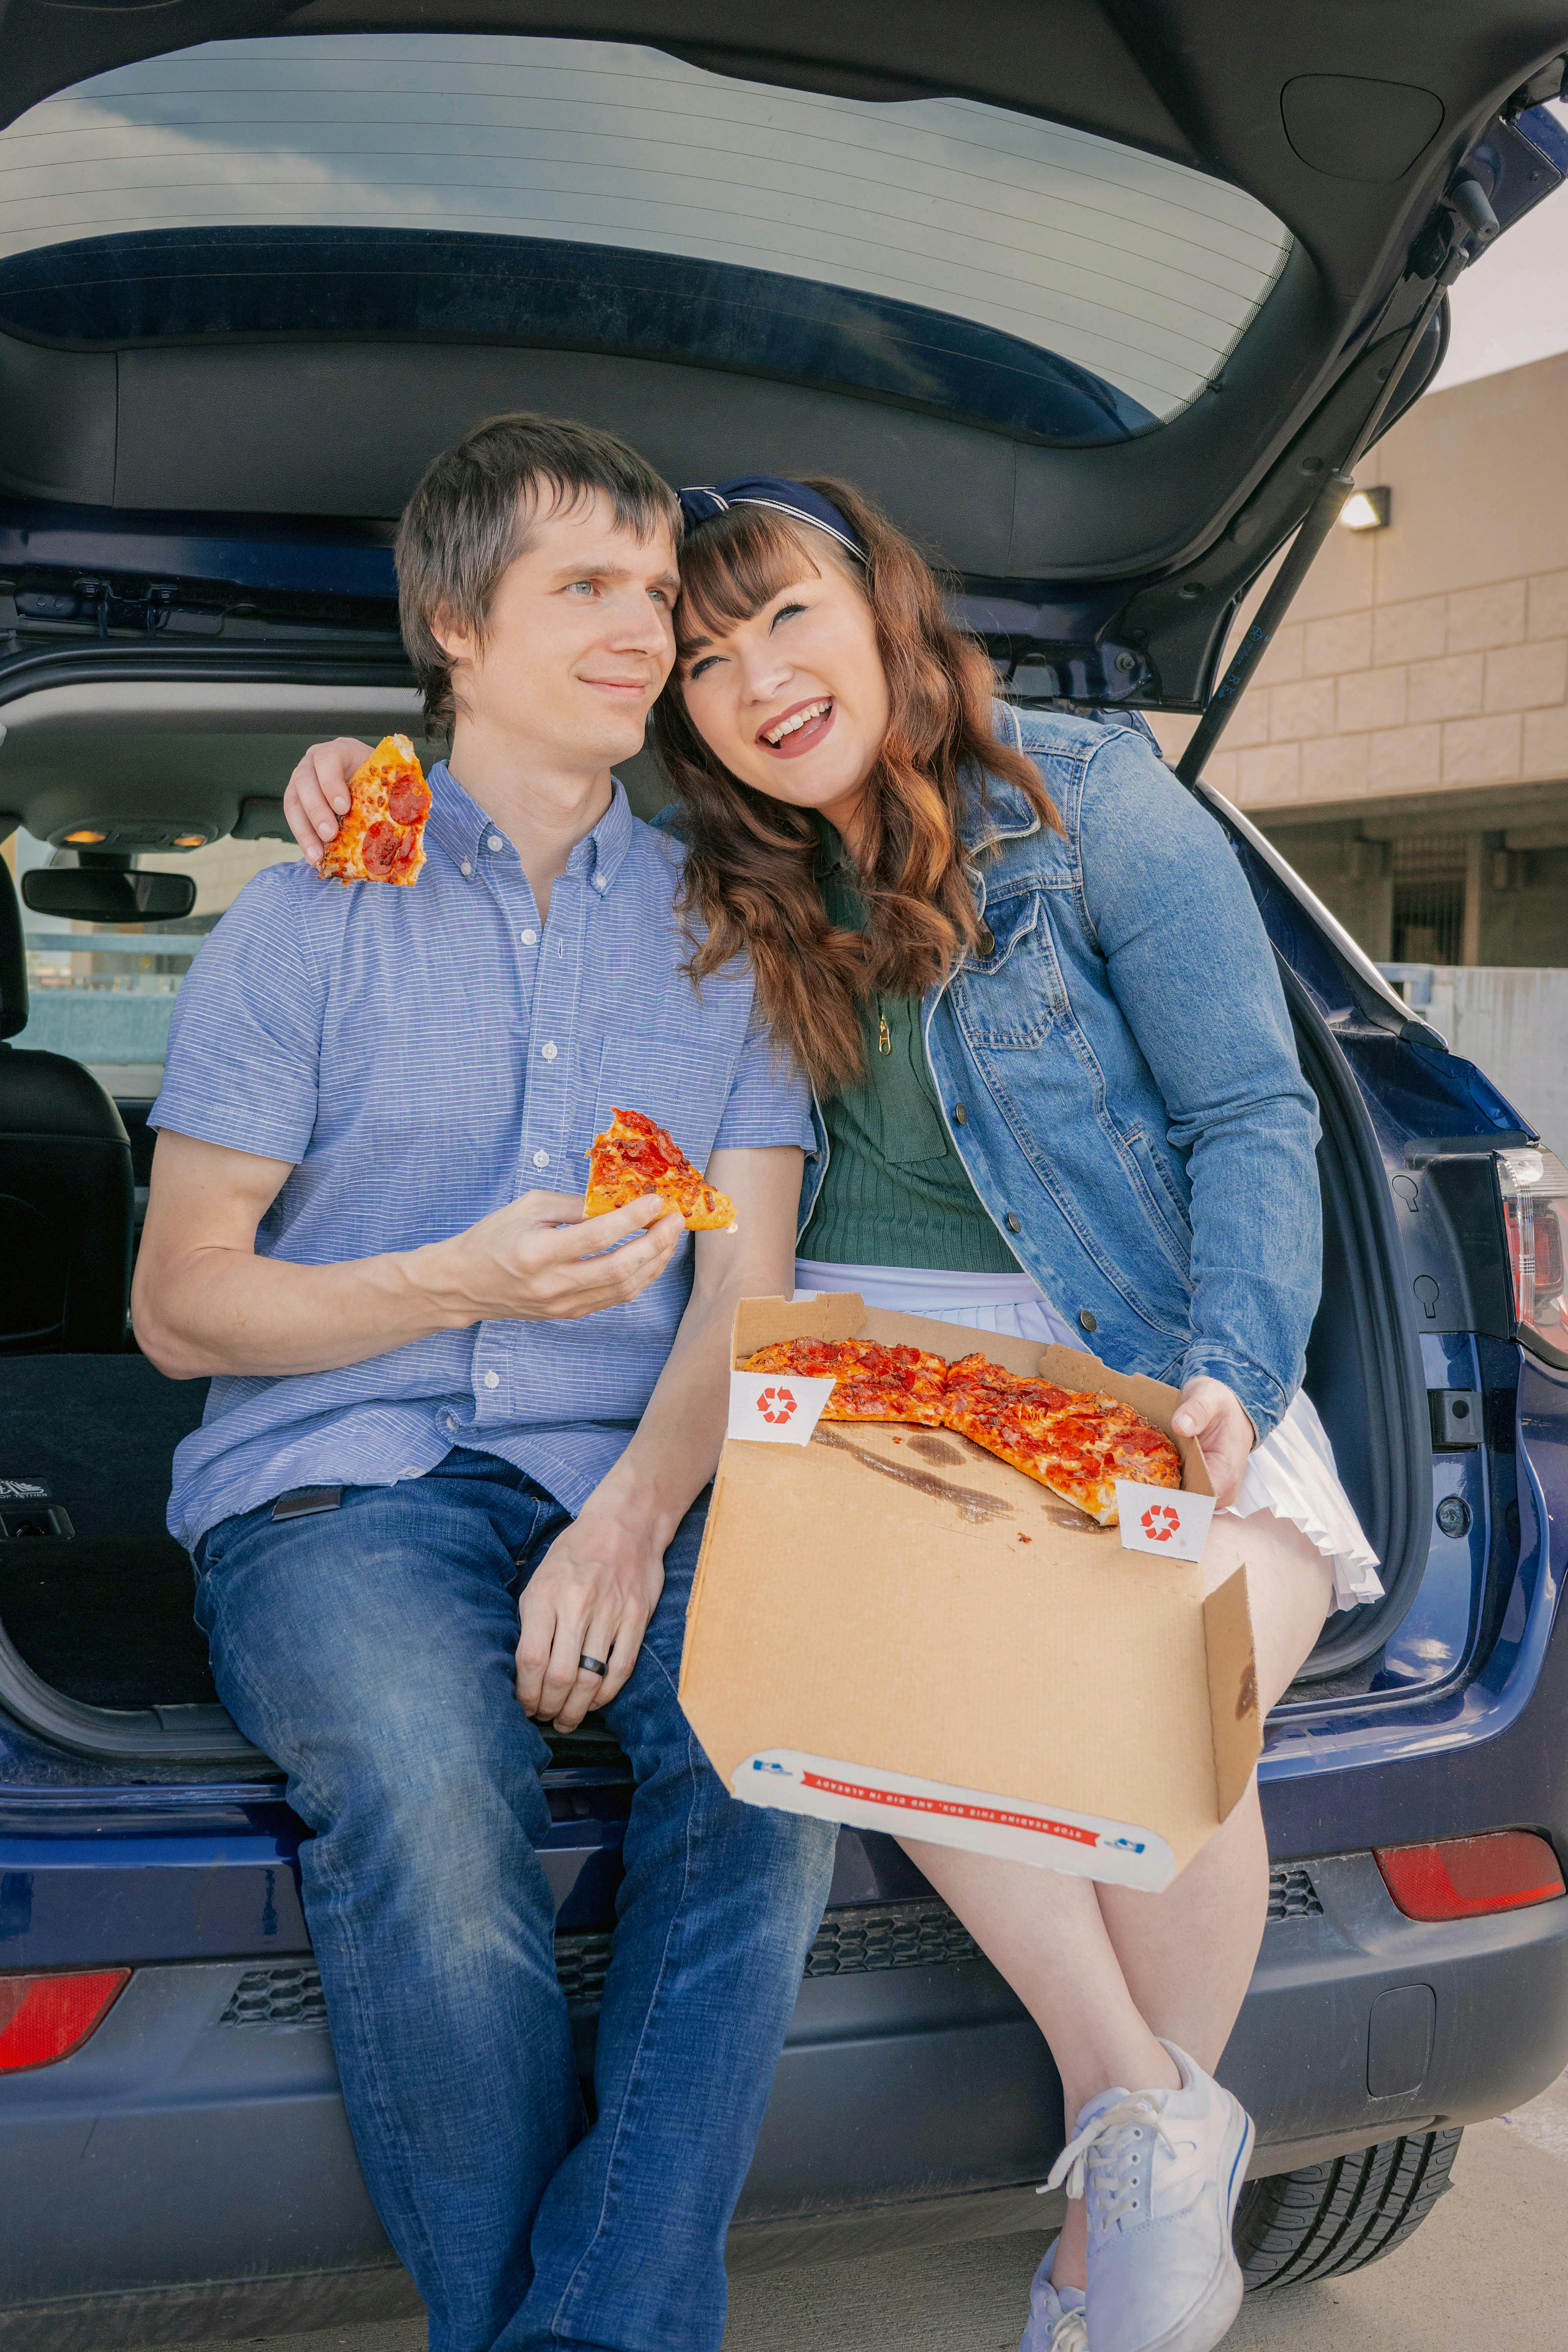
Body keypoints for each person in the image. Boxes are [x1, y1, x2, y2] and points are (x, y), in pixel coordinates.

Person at [283, 470, 1383, 2352]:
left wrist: (1231, 1360)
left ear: (882, 602)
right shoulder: (713, 855)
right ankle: (1152, 2129)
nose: (758, 679)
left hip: (1139, 1332)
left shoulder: (1086, 792)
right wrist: (350, 773)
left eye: (787, 615)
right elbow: (496, 813)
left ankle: (1119, 2186)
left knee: (1175, 1713)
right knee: (874, 1704)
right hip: (880, 1384)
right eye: (703, 660)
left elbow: (1251, 1117)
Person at [132, 415, 838, 2352]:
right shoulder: (303, 920)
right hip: (336, 1480)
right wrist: (445, 1279)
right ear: (456, 622)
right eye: (585, 588)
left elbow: (745, 1303)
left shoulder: (728, 931)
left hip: (637, 1464)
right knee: (435, 1795)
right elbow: (183, 1312)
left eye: (653, 593)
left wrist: (627, 1527)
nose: (640, 629)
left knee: (780, 1758)